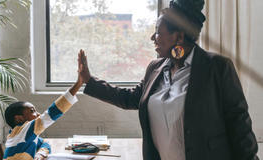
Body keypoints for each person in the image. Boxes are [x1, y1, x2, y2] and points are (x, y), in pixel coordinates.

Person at [77, 0, 259, 159]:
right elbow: (131, 98)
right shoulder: (155, 68)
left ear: (178, 36)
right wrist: (89, 81)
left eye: (158, 32)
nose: (152, 38)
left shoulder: (218, 67)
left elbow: (240, 127)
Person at [3, 63, 83, 160]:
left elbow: (45, 143)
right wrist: (78, 83)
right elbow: (52, 112)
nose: (38, 114)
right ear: (19, 119)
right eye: (32, 111)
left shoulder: (18, 135)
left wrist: (40, 154)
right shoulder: (25, 129)